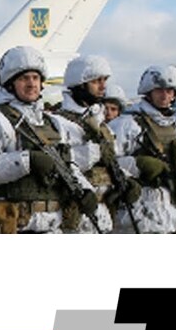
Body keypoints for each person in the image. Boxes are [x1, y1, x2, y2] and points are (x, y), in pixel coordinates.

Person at [0, 46, 99, 234]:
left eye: (35, 78)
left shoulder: (53, 123)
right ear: (10, 83)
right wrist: (26, 161)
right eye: (24, 78)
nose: (31, 84)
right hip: (13, 225)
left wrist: (86, 190)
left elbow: (66, 165)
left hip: (53, 225)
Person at [108, 65, 176, 234]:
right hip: (135, 213)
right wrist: (138, 165)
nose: (165, 96)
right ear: (149, 92)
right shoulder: (128, 124)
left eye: (169, 91)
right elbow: (109, 163)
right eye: (159, 90)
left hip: (168, 213)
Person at [53, 54, 138, 233]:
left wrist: (127, 179)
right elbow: (58, 164)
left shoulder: (101, 125)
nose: (102, 86)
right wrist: (91, 153)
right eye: (96, 81)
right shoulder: (58, 123)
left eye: (104, 80)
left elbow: (110, 161)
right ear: (80, 84)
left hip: (103, 215)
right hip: (73, 216)